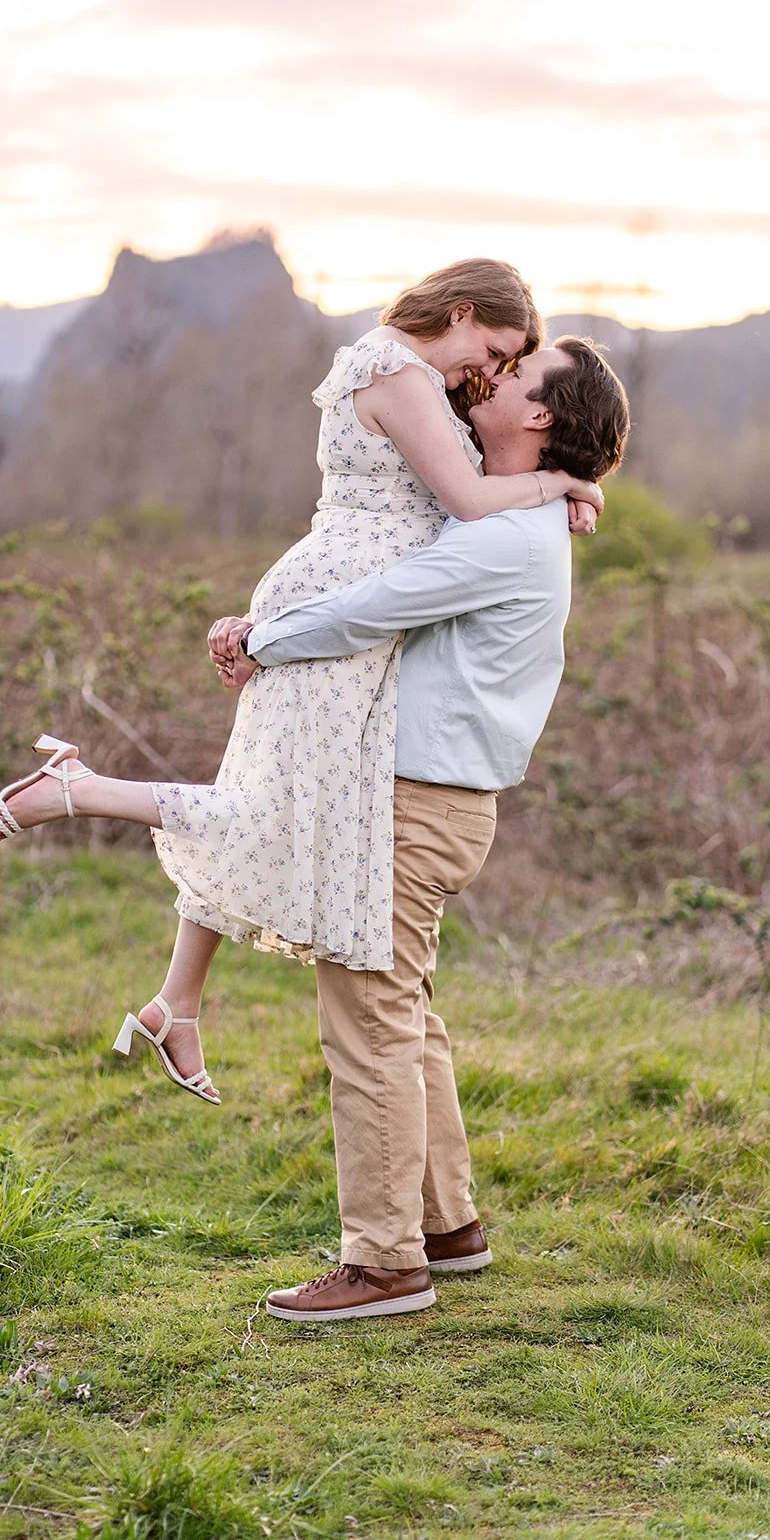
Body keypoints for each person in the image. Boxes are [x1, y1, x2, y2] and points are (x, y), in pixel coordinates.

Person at [0, 261, 602, 1106]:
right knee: (272, 810)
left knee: (263, 795)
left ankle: (177, 1003)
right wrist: (558, 482)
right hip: (340, 609)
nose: (487, 373)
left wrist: (566, 479)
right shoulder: (397, 372)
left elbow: (474, 474)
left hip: (351, 609)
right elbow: (462, 497)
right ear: (459, 314)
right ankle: (75, 789)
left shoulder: (422, 378)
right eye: (491, 350)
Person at [207, 337, 630, 1320]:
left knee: (364, 1021)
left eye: (518, 374)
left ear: (535, 418)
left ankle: (383, 1262)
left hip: (414, 805)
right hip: (439, 801)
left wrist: (253, 639)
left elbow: (368, 610)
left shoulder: (499, 538)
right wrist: (567, 484)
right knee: (404, 1010)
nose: (494, 375)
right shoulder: (511, 516)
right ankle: (446, 1226)